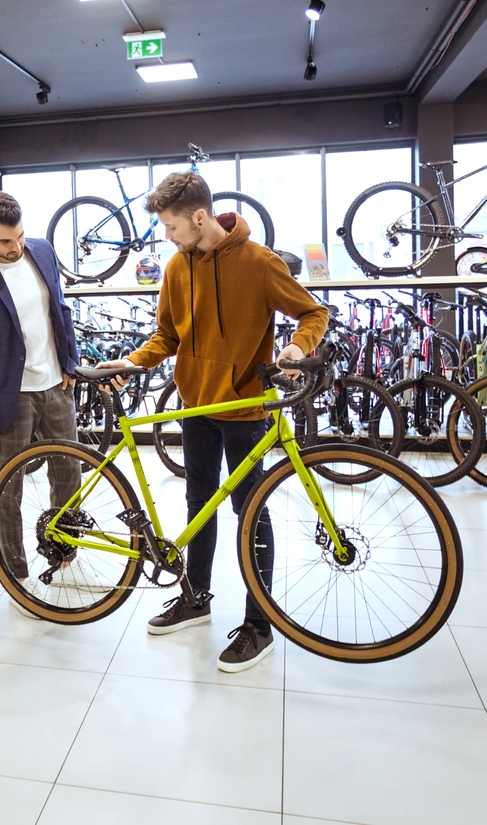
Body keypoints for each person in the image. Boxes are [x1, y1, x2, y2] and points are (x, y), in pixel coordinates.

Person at [102, 172, 327, 672]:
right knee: (197, 503)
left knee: (252, 514)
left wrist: (294, 347)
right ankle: (195, 597)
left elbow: (314, 313)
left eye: (171, 226)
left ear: (199, 217)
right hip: (195, 407)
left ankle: (258, 625)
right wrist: (134, 362)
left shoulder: (259, 262)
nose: (167, 236)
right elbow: (166, 336)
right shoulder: (176, 268)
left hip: (244, 407)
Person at [0, 190, 84, 614]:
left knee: (70, 474)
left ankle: (63, 553)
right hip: (10, 396)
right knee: (8, 488)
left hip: (55, 386)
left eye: (20, 237)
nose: (16, 246)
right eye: (5, 241)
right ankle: (17, 574)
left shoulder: (41, 251)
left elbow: (60, 311)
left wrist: (70, 362)